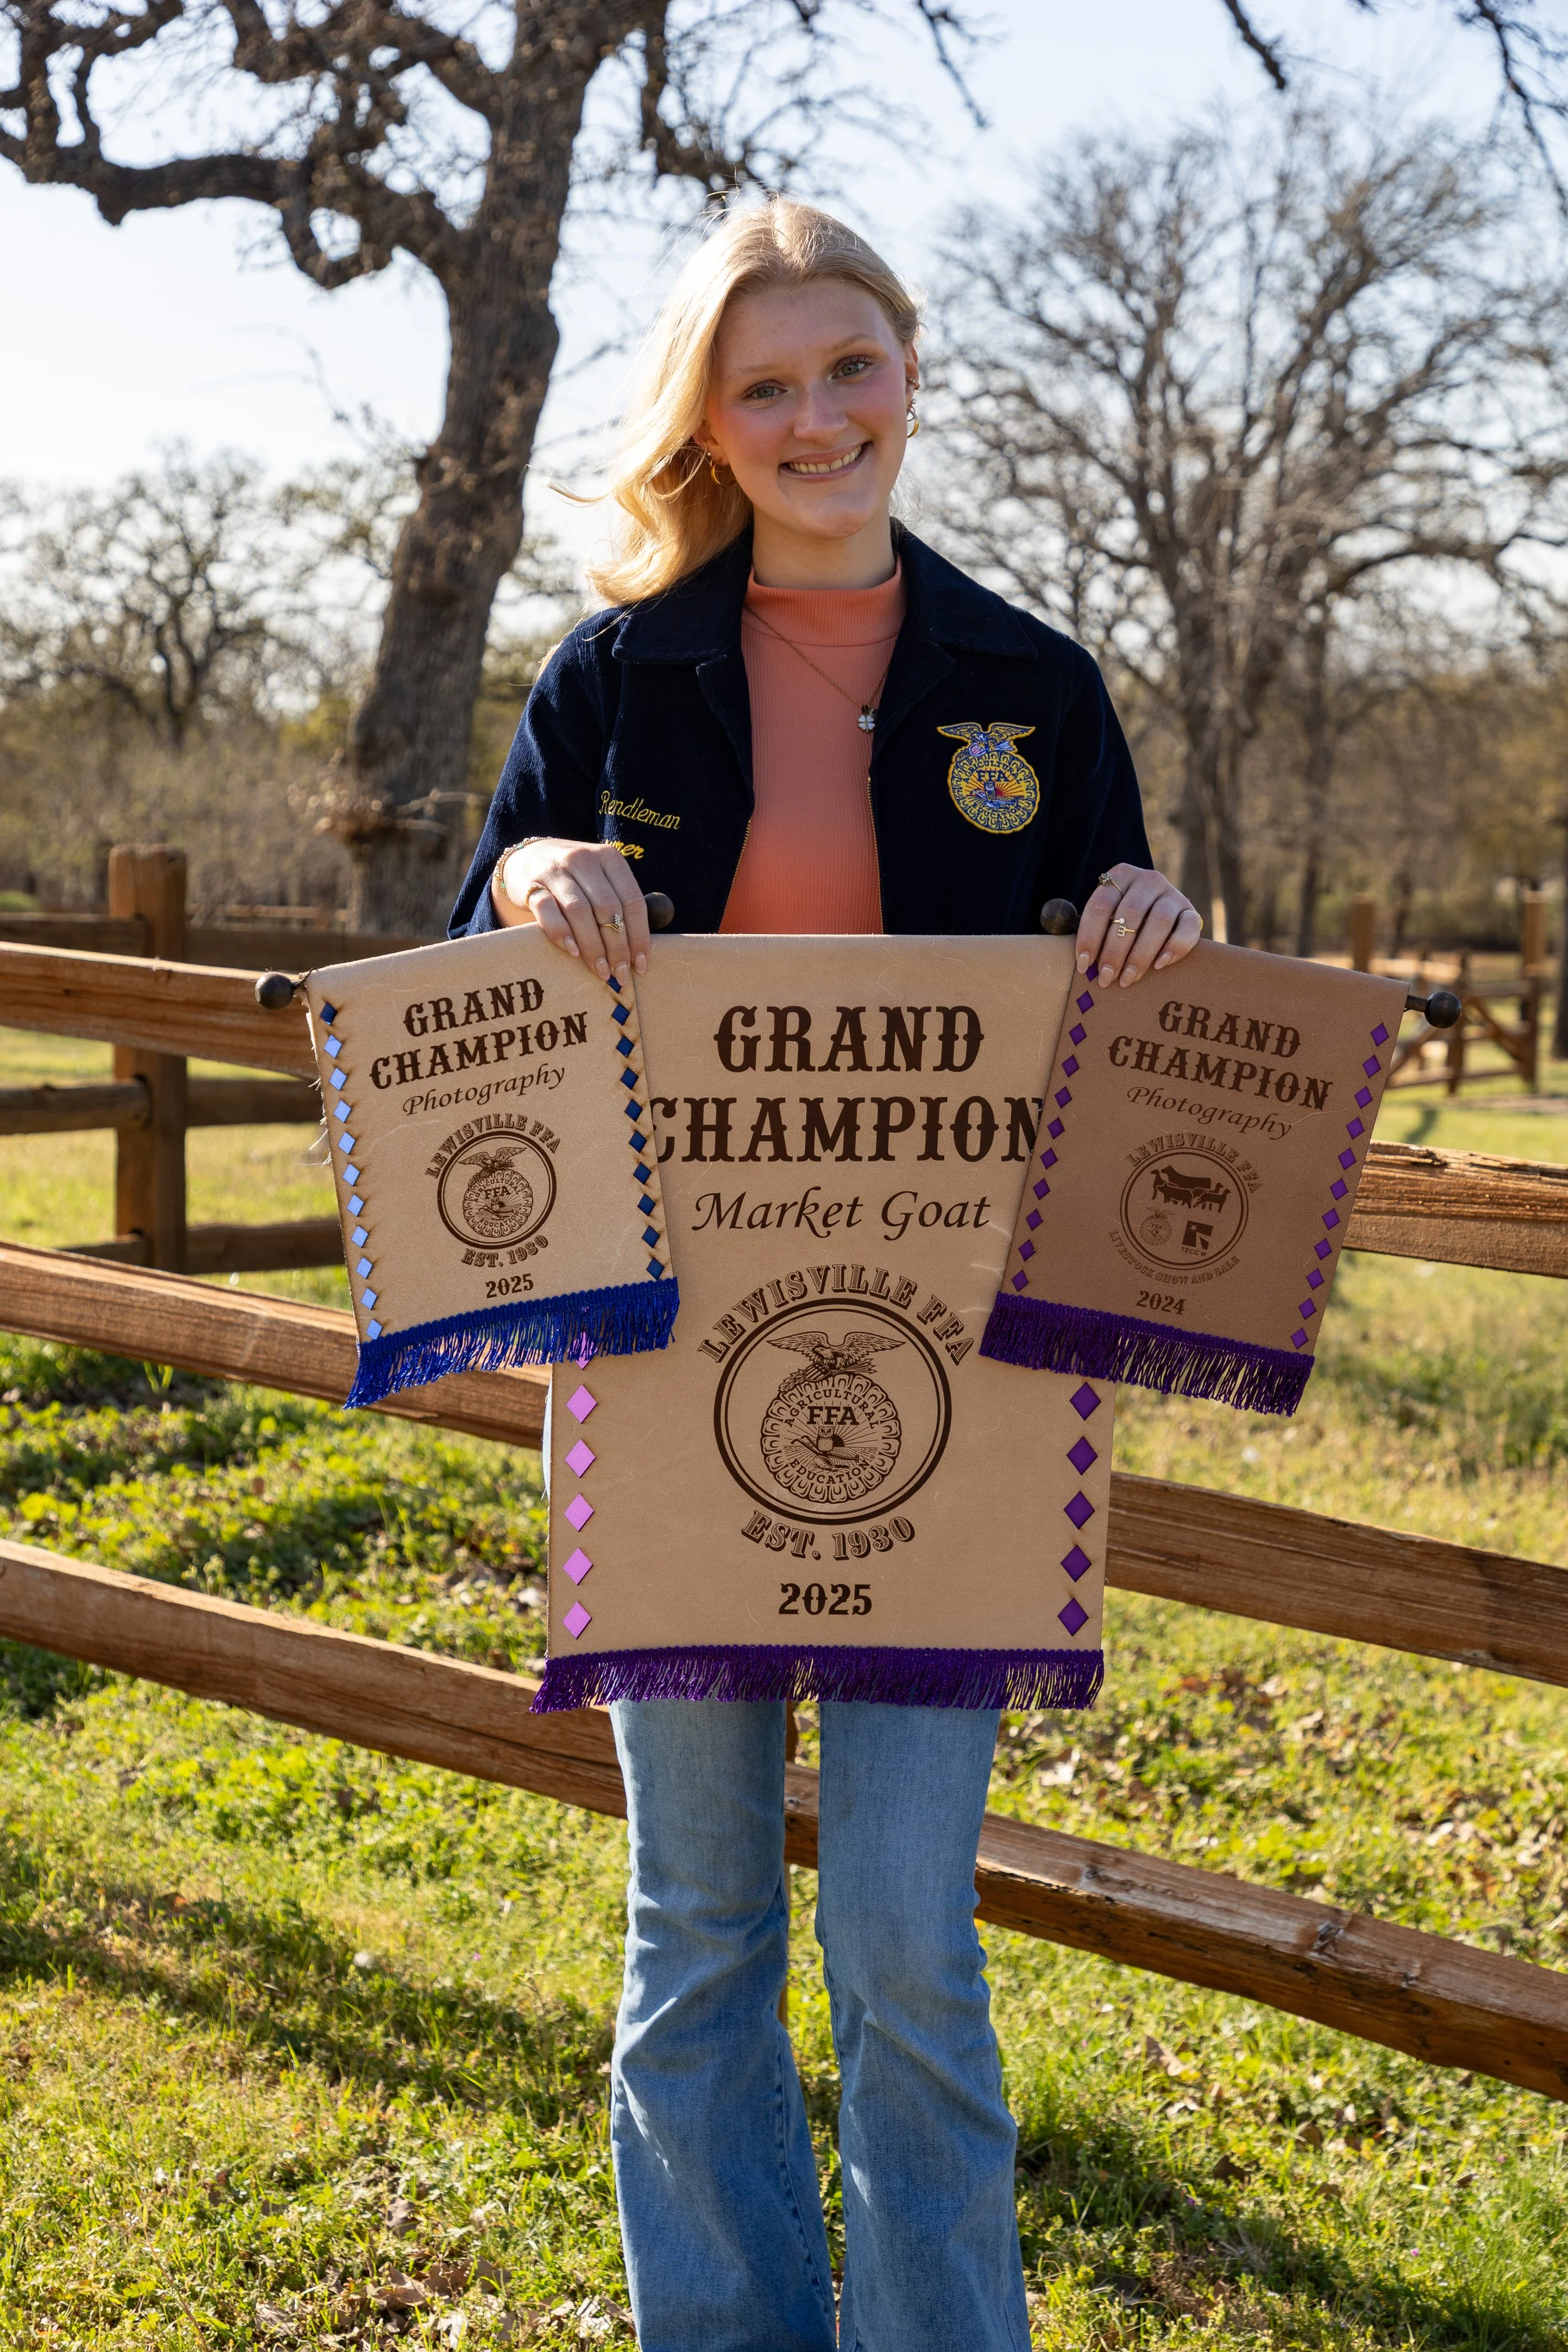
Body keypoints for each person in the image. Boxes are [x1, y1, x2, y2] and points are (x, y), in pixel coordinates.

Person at [451, 199, 1200, 2352]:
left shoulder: (1031, 688)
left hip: (950, 1391)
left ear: (908, 369)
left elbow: (1108, 1007)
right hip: (667, 1370)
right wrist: (521, 865)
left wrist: (1142, 911)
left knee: (900, 1935)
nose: (812, 417)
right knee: (694, 1926)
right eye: (762, 383)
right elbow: (467, 973)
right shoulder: (606, 679)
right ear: (713, 414)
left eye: (845, 367)